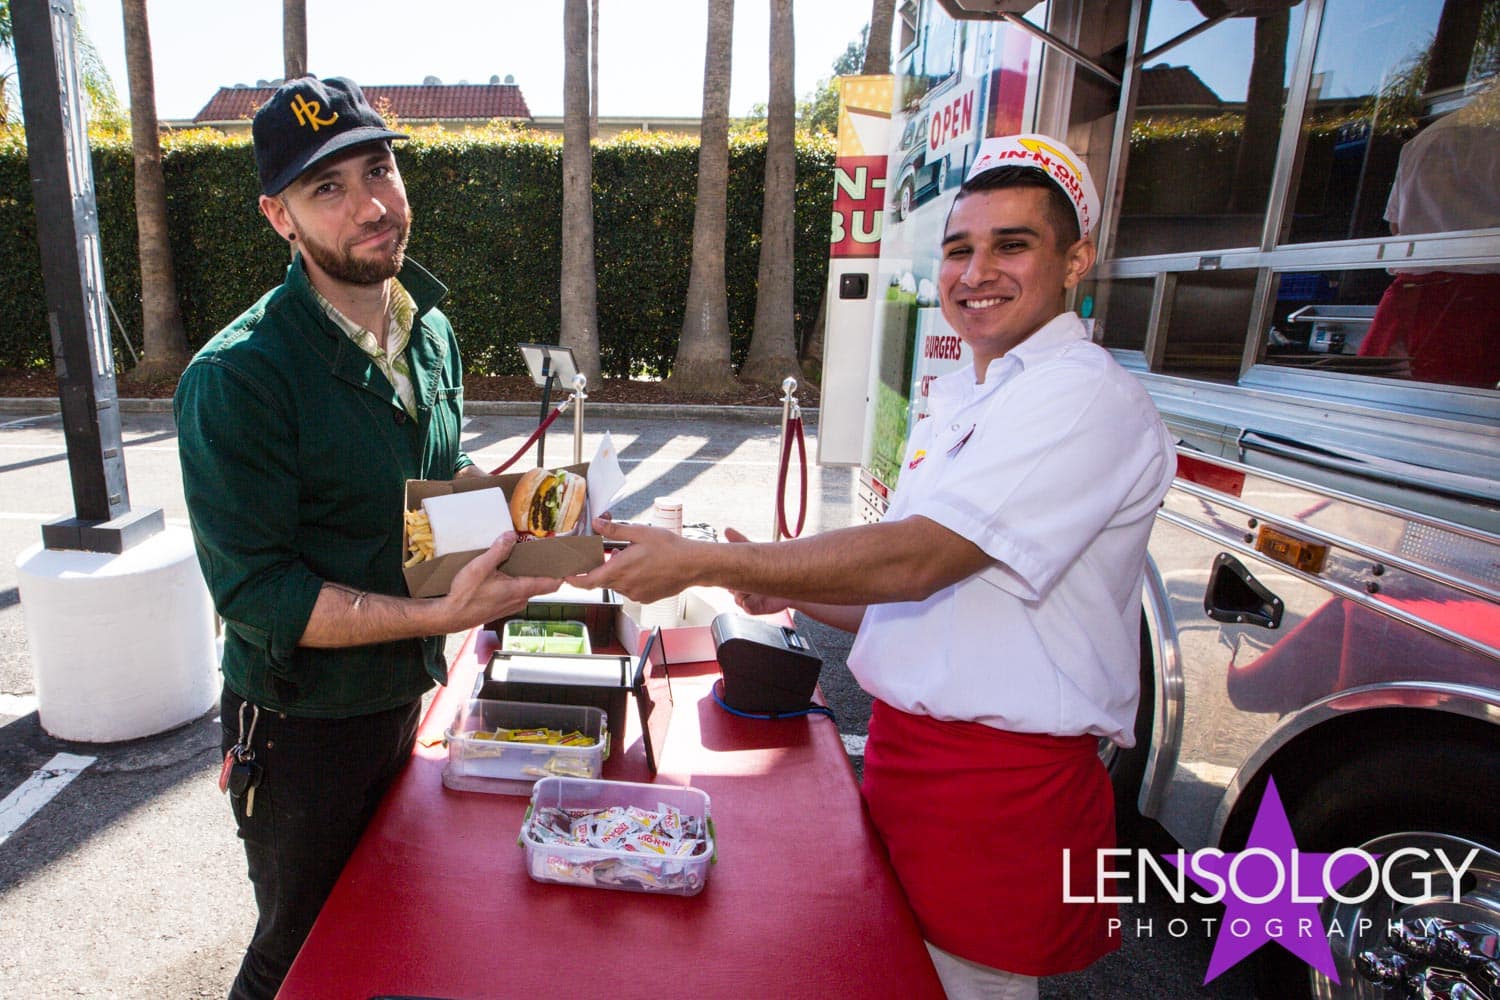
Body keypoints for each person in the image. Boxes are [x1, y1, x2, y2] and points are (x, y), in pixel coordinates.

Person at [574, 134, 1176, 999]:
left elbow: (920, 559)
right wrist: (780, 583)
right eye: (959, 250)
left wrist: (699, 559)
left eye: (1012, 245)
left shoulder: (1082, 395)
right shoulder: (974, 394)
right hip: (912, 765)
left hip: (1002, 790)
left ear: (1076, 261)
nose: (977, 273)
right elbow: (916, 595)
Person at [174, 76, 558, 1000]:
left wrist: (536, 522)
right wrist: (438, 614)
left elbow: (431, 476)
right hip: (301, 729)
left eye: (378, 169)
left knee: (392, 926)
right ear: (279, 217)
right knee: (299, 950)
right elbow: (257, 594)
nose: (371, 205)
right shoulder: (238, 377)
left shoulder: (429, 331)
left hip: (406, 696)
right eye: (328, 188)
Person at [1358, 78, 1500, 388]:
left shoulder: (1425, 139)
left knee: (1386, 404)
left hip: (1411, 295)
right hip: (1479, 304)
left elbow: (1396, 225)